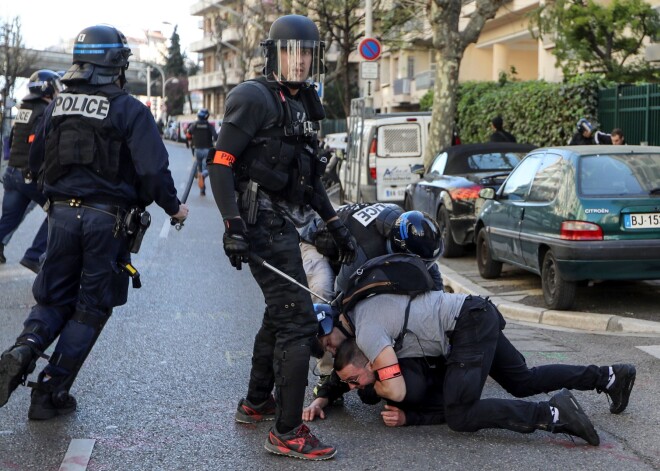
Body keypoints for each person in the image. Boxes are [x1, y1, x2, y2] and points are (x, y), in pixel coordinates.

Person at [0, 24, 188, 421]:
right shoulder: (128, 108)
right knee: (90, 307)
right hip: (108, 222)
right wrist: (174, 208)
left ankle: (25, 347)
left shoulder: (57, 106)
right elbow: (153, 171)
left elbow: (34, 163)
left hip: (62, 218)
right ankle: (49, 393)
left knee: (52, 298)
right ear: (118, 62)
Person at [207, 14, 357, 461]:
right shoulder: (252, 97)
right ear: (272, 55)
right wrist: (233, 226)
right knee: (297, 321)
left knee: (280, 313)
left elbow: (309, 181)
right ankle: (287, 432)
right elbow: (219, 163)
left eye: (306, 52)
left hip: (286, 222)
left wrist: (335, 225)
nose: (299, 60)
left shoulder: (308, 103)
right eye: (291, 51)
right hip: (258, 223)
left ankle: (257, 402)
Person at [331, 290, 636, 446]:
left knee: (460, 414)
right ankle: (609, 376)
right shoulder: (365, 315)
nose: (357, 387)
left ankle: (554, 414)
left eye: (355, 380)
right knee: (522, 380)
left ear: (368, 360)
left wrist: (381, 389)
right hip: (476, 311)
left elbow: (395, 389)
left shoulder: (369, 334)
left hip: (466, 324)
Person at [299, 206, 444, 406]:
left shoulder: (411, 233)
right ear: (397, 249)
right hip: (316, 244)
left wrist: (440, 310)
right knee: (325, 297)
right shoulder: (363, 254)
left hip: (351, 236)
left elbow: (430, 274)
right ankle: (327, 373)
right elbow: (343, 304)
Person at [304, 304, 447, 428]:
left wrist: (409, 417)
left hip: (437, 352)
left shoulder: (367, 331)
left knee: (399, 393)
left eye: (328, 343)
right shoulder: (353, 334)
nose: (332, 350)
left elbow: (446, 405)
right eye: (326, 351)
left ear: (333, 324)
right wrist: (318, 403)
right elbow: (342, 378)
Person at [0, 70, 63, 273]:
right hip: (29, 175)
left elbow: (12, 140)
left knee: (9, 219)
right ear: (48, 88)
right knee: (59, 210)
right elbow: (40, 143)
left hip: (12, 173)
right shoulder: (45, 110)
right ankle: (34, 255)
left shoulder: (24, 108)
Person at [186, 108, 217, 196]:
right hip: (207, 150)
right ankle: (203, 175)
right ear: (207, 116)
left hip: (197, 150)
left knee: (199, 170)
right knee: (208, 169)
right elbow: (215, 136)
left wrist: (189, 141)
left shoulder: (194, 125)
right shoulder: (209, 126)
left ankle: (202, 190)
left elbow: (188, 134)